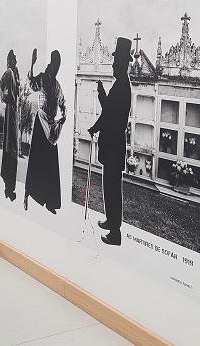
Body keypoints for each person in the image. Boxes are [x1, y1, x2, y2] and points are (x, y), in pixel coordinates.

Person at [88, 37, 132, 246]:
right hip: (113, 146)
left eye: (116, 62)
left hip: (114, 146)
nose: (113, 65)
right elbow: (110, 112)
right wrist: (103, 94)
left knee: (113, 188)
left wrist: (101, 94)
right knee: (110, 186)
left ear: (123, 64)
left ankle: (115, 233)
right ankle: (111, 221)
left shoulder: (122, 86)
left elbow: (109, 115)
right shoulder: (120, 85)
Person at [23, 49, 66, 214]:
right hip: (41, 122)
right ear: (52, 64)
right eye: (55, 64)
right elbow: (31, 84)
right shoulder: (42, 78)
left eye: (58, 66)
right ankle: (27, 193)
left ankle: (50, 201)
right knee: (36, 158)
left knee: (50, 162)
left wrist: (64, 115)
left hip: (51, 125)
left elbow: (62, 101)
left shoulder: (56, 84)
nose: (56, 68)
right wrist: (32, 63)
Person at [0, 49, 20, 201]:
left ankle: (9, 185)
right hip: (12, 111)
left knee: (11, 144)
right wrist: (5, 97)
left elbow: (2, 84)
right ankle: (9, 187)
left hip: (12, 111)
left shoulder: (11, 72)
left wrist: (4, 96)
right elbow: (2, 84)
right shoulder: (13, 73)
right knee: (11, 144)